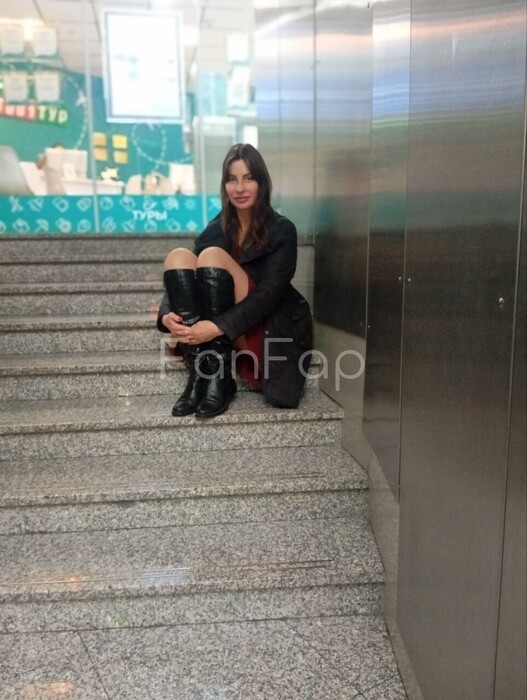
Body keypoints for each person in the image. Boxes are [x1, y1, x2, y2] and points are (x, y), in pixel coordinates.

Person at [157, 143, 312, 418]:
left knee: (212, 256)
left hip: (263, 326)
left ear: (261, 183)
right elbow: (187, 278)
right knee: (178, 256)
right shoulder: (216, 228)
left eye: (248, 178)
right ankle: (204, 373)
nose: (239, 188)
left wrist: (216, 327)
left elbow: (268, 296)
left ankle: (216, 374)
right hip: (225, 327)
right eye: (232, 179)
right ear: (224, 185)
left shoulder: (282, 230)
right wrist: (167, 314)